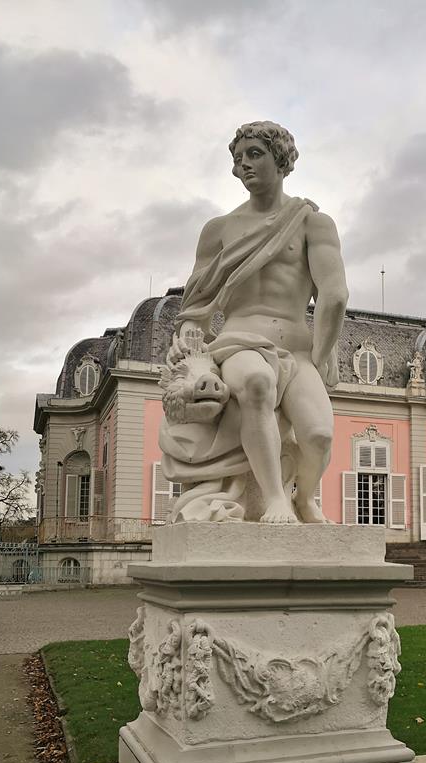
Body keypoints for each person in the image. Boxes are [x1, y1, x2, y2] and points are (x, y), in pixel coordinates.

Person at [175, 121, 348, 523]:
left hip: (297, 349)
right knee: (257, 383)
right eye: (238, 159)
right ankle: (274, 499)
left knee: (319, 435)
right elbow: (195, 308)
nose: (244, 165)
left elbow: (334, 294)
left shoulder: (312, 223)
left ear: (281, 160)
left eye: (255, 154)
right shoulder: (218, 230)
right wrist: (192, 351)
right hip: (239, 340)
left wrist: (323, 354)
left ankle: (304, 497)